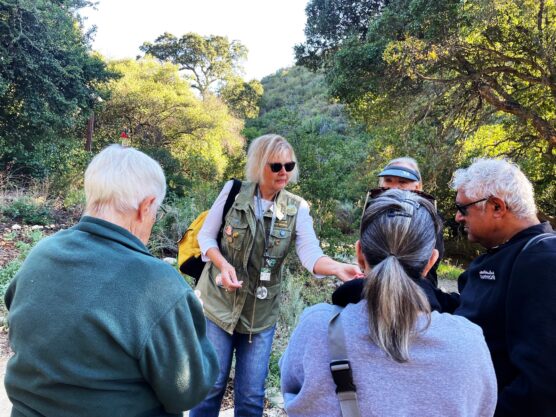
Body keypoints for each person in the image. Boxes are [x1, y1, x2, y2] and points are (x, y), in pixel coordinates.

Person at [4, 145, 219, 417]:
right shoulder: (158, 284)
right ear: (147, 206)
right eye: (157, 211)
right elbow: (188, 391)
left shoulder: (41, 254)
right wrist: (192, 319)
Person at [279, 189, 497, 417]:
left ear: (360, 254)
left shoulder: (317, 327)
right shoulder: (468, 342)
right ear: (430, 262)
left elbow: (293, 397)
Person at [191, 134, 362, 417]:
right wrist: (223, 264)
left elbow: (310, 253)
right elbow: (206, 239)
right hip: (218, 305)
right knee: (210, 388)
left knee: (250, 396)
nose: (284, 172)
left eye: (289, 165)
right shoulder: (234, 192)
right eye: (276, 166)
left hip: (260, 314)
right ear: (260, 165)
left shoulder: (297, 208)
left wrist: (337, 268)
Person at [433, 158, 556, 417]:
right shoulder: (503, 254)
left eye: (462, 208)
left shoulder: (544, 260)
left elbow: (543, 382)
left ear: (497, 207)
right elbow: (477, 309)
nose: (457, 217)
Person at [332, 156, 445, 308]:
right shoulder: (373, 210)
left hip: (418, 295)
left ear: (417, 187)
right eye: (389, 180)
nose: (394, 187)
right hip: (372, 289)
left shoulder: (428, 217)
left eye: (402, 182)